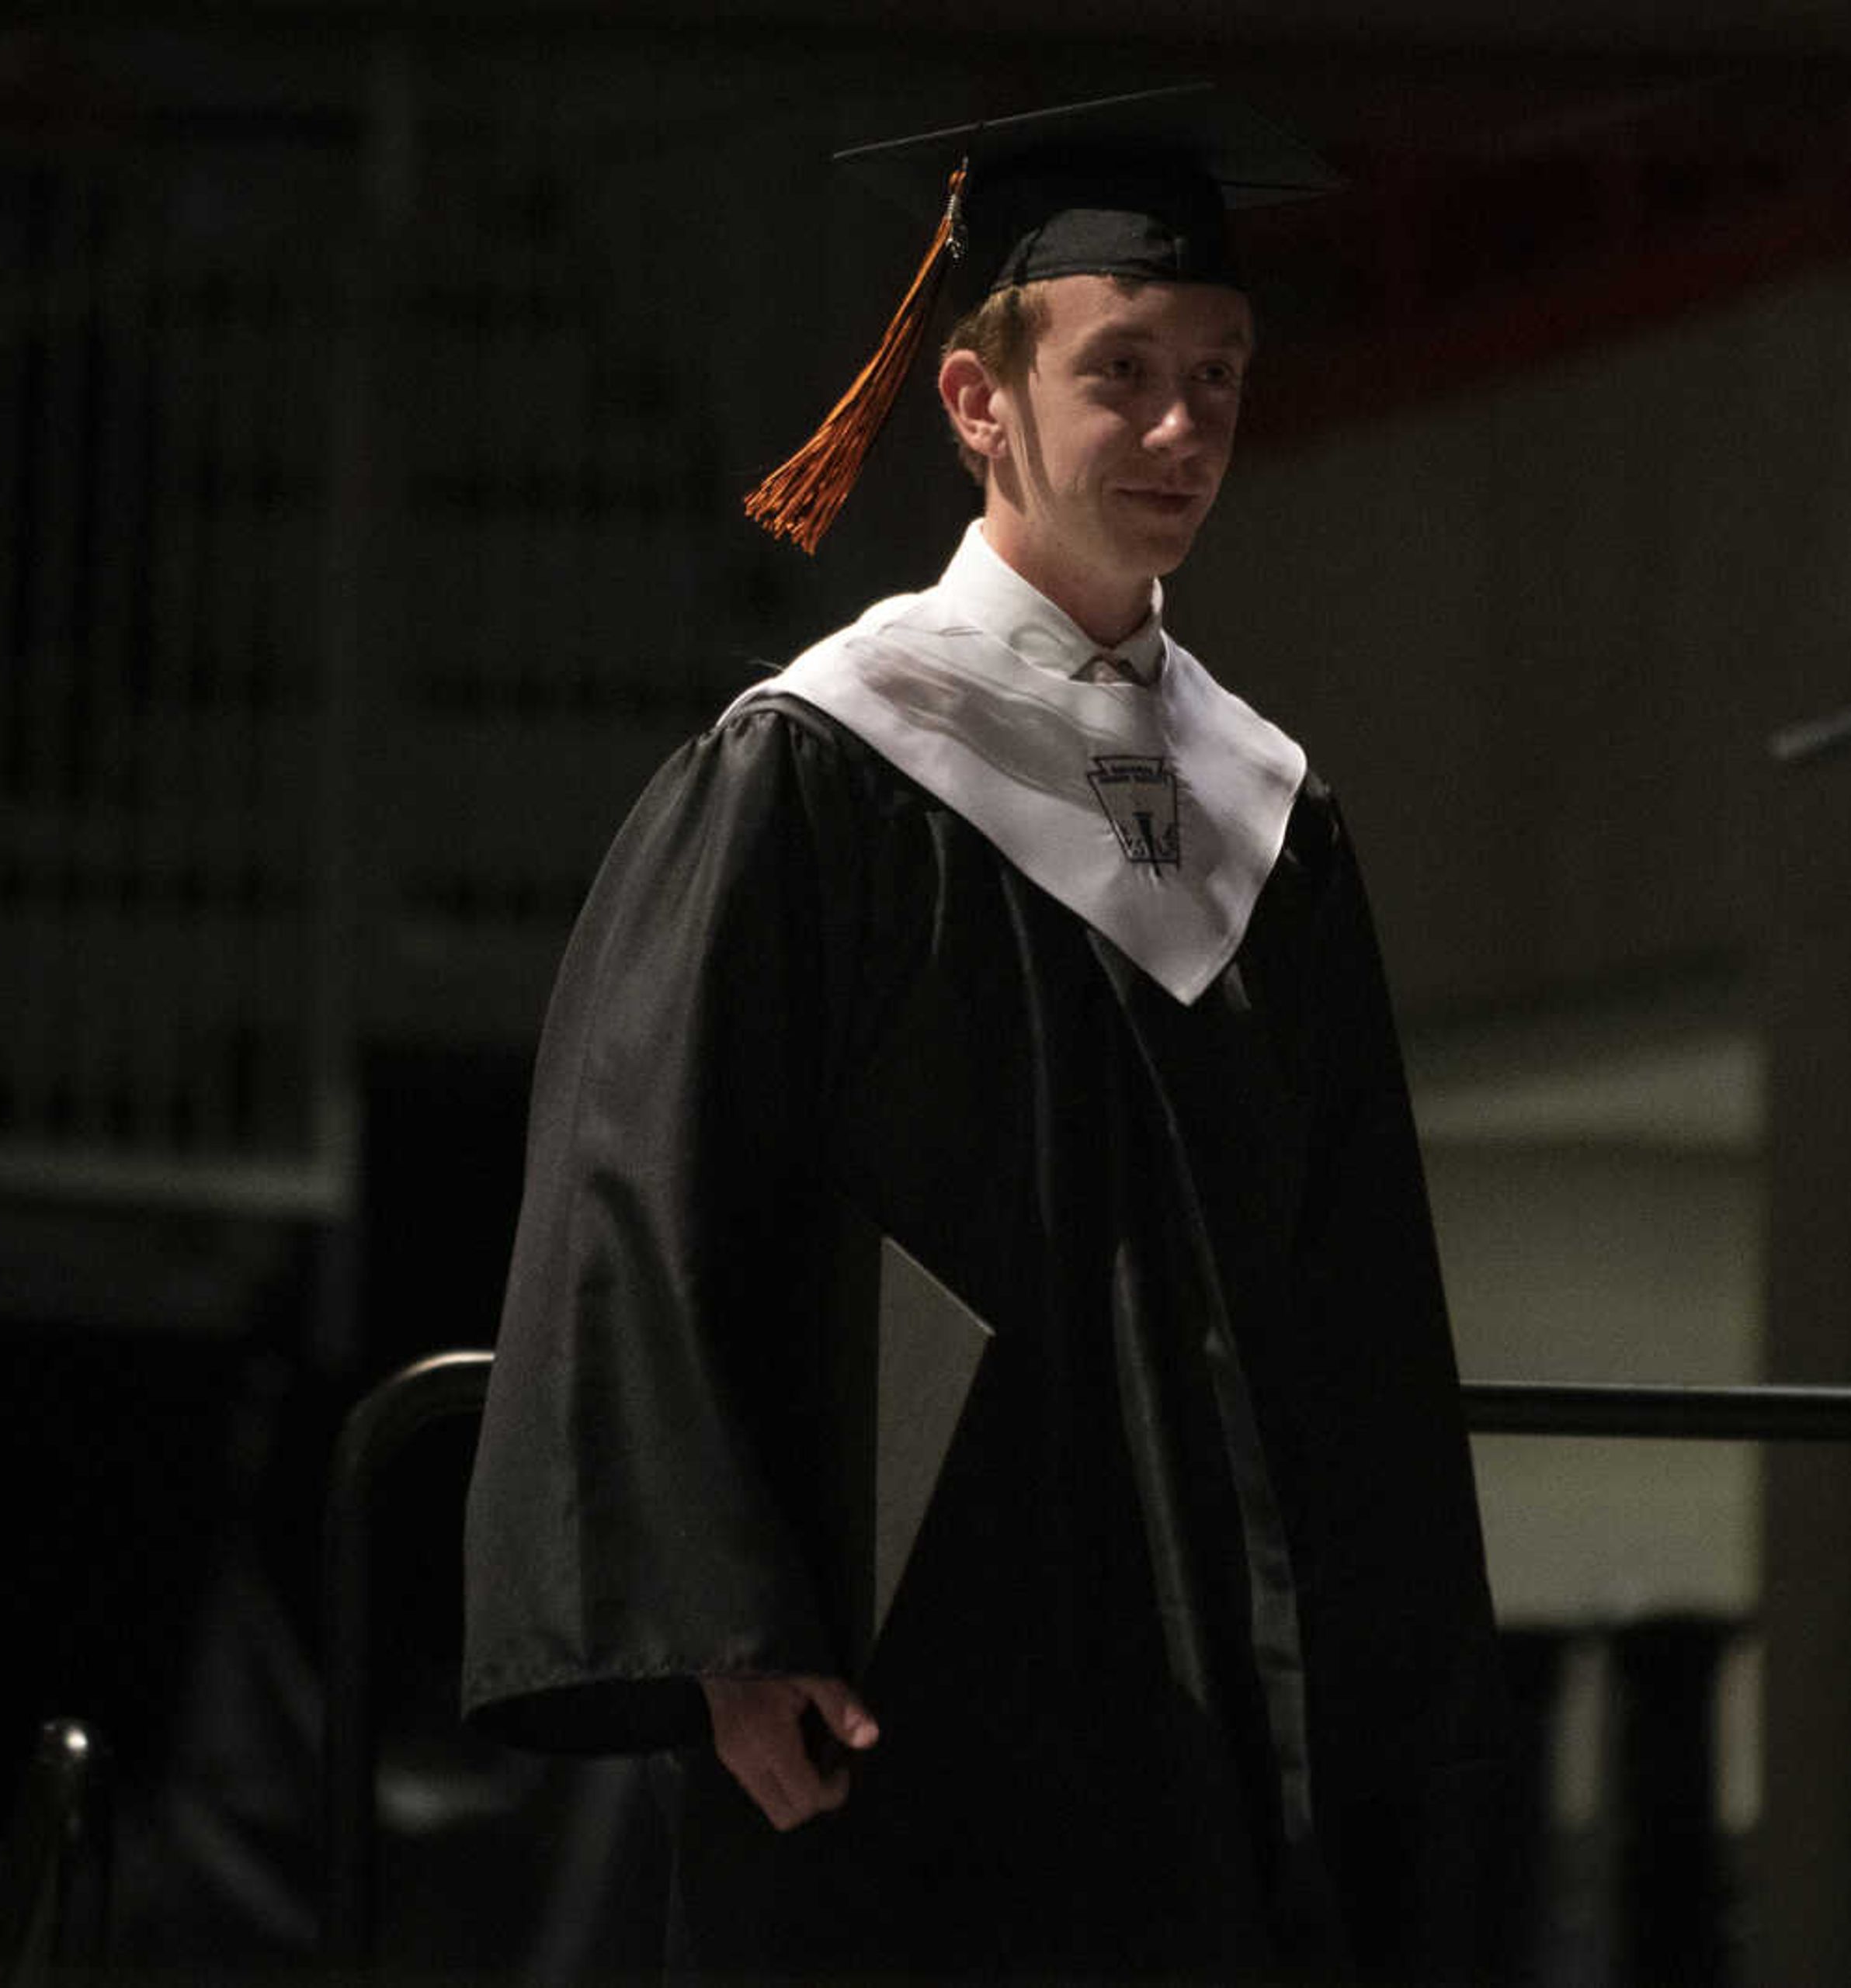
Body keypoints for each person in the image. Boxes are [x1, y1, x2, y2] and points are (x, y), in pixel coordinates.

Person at [462, 86, 1502, 1982]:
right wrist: (727, 1636)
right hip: (918, 1694)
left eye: (1221, 373)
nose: (1185, 427)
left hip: (1217, 1697)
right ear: (975, 404)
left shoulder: (1269, 813)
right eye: (1124, 374)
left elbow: (1362, 1293)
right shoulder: (822, 768)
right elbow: (640, 1192)